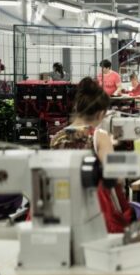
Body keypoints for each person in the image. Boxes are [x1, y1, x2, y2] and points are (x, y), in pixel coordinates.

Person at [50, 78, 132, 233]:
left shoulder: (56, 137)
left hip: (61, 205)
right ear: (101, 114)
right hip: (92, 209)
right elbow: (116, 177)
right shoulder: (99, 136)